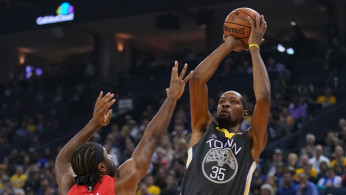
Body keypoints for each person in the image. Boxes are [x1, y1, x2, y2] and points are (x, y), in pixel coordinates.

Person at [55, 62, 193, 195]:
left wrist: (94, 124)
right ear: (101, 167)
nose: (110, 156)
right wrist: (171, 98)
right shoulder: (120, 183)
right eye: (106, 154)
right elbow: (151, 138)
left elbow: (62, 160)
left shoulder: (70, 190)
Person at [181, 14, 270, 195]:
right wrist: (229, 44)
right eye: (221, 102)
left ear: (245, 113)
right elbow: (196, 80)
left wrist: (254, 47)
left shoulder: (251, 142)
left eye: (233, 102)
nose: (225, 104)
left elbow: (264, 98)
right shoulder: (203, 129)